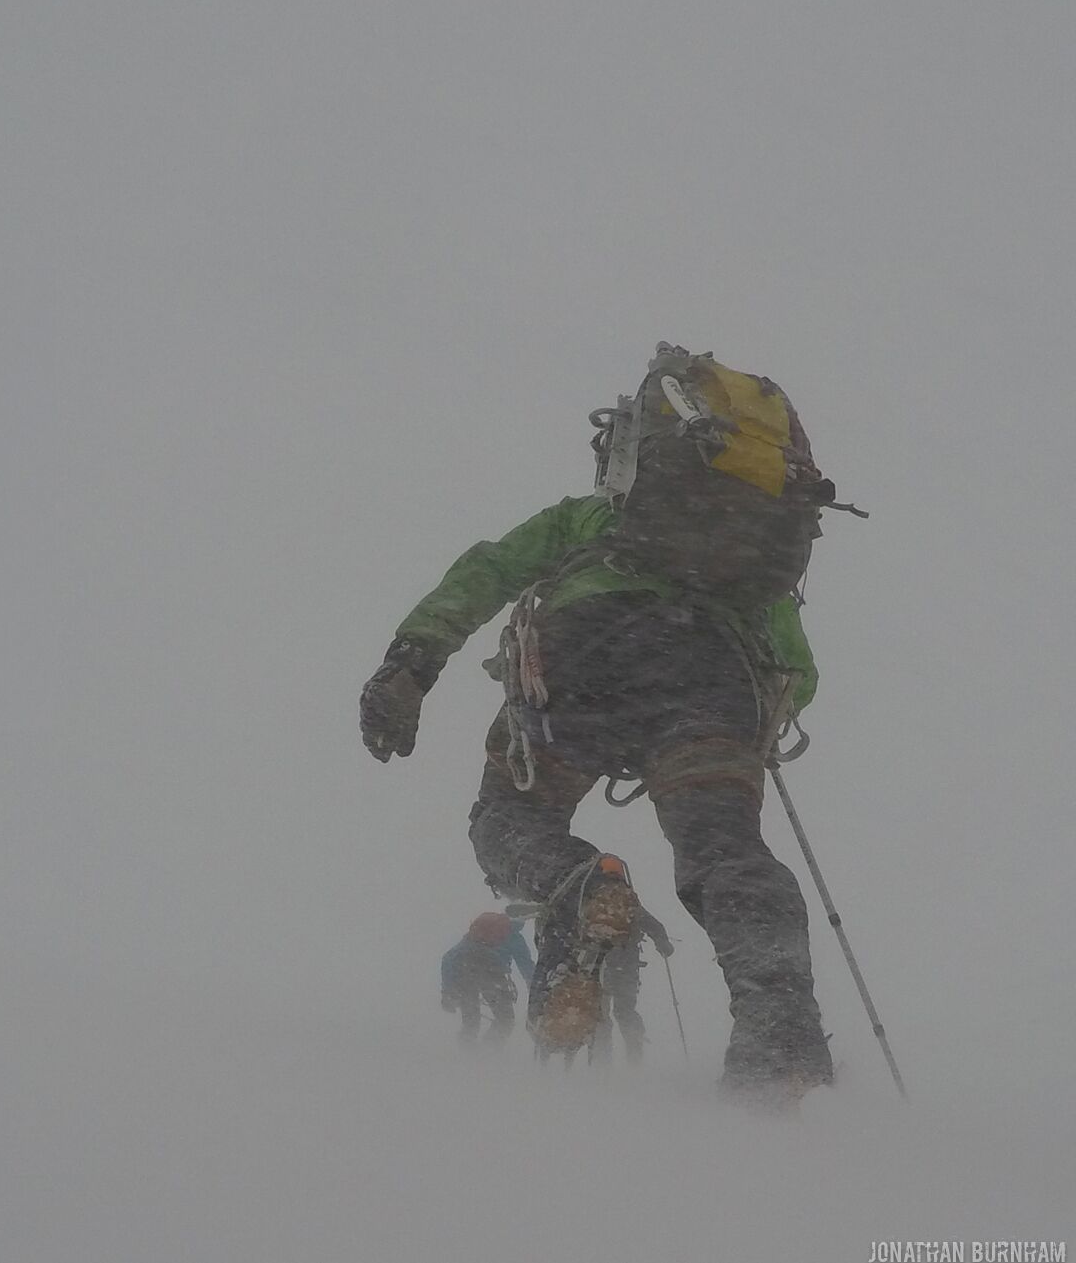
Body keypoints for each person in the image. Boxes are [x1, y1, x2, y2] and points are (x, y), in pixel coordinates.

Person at [359, 345, 854, 1105]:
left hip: (580, 660)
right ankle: (778, 1028)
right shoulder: (754, 572)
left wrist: (410, 662)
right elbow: (801, 675)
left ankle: (575, 884)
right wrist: (735, 727)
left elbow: (487, 571)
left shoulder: (592, 520)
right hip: (713, 676)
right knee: (724, 848)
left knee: (511, 815)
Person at [589, 901, 673, 1065]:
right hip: (627, 964)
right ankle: (635, 1052)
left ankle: (602, 1059)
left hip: (598, 964)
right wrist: (663, 944)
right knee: (625, 1011)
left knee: (600, 1014)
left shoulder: (593, 900)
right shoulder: (627, 901)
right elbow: (654, 926)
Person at [440, 911, 535, 1046]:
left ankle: (466, 1055)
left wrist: (447, 991)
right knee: (505, 1018)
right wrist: (535, 986)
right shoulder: (514, 938)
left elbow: (449, 958)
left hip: (465, 971)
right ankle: (489, 1052)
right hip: (493, 974)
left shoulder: (475, 937)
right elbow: (526, 965)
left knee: (471, 1020)